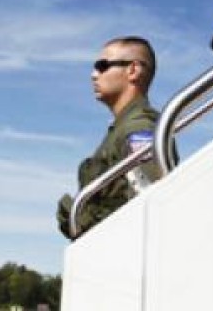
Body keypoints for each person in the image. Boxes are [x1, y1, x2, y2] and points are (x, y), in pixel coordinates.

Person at [57, 36, 162, 239]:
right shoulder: (122, 129)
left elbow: (149, 207)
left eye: (102, 66)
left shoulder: (139, 129)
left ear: (133, 70)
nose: (93, 75)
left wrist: (82, 218)